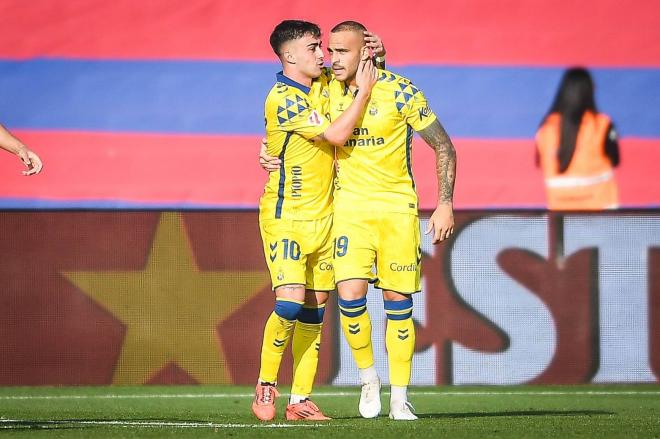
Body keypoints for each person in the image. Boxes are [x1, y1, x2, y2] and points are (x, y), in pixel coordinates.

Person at [261, 21, 456, 421]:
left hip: (397, 211)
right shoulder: (328, 90)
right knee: (348, 297)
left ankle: (400, 398)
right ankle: (368, 380)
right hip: (347, 211)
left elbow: (443, 144)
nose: (330, 59)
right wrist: (268, 148)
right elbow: (292, 123)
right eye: (326, 51)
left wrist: (445, 203)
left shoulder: (401, 90)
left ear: (365, 52)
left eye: (339, 52)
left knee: (397, 303)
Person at [253, 19, 378, 422]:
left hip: (327, 218)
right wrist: (363, 95)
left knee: (314, 311)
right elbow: (337, 136)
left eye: (322, 46)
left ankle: (299, 401)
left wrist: (376, 49)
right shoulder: (282, 98)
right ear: (289, 55)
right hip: (287, 215)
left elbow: (359, 63)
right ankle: (266, 384)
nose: (321, 54)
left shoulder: (322, 81)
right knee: (289, 303)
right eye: (312, 47)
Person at [536, 67, 620, 210]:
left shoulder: (545, 129)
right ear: (590, 91)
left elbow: (540, 163)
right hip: (602, 211)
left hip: (559, 215)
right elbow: (615, 160)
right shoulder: (602, 124)